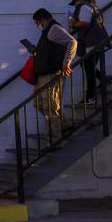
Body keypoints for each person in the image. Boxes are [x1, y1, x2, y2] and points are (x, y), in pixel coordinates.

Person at [29, 9, 77, 140]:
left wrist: (67, 62)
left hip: (51, 74)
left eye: (37, 22)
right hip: (43, 74)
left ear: (42, 19)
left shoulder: (53, 28)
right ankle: (65, 124)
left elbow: (72, 42)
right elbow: (50, 50)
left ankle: (54, 139)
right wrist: (35, 51)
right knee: (38, 104)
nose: (37, 25)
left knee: (50, 106)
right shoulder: (48, 31)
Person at [68, 0, 109, 104]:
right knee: (86, 65)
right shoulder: (92, 6)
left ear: (79, 0)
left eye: (75, 3)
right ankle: (104, 80)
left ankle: (91, 96)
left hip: (93, 42)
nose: (75, 6)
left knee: (88, 68)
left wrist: (73, 23)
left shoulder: (84, 7)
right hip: (95, 41)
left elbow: (85, 23)